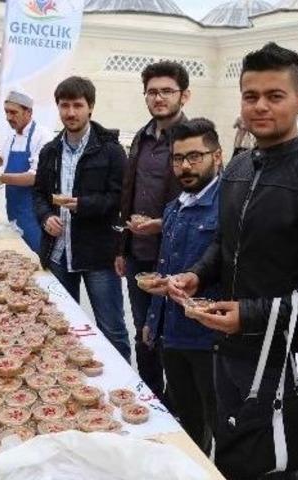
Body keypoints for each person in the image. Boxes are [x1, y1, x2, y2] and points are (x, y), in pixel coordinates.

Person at [167, 43, 298, 480]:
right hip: (228, 349)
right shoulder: (238, 169)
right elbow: (225, 243)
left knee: (275, 462)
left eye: (275, 95)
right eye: (250, 95)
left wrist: (255, 314)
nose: (260, 106)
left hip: (286, 357)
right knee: (235, 455)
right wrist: (198, 275)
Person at [33, 76, 130, 361]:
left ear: (91, 108)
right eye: (65, 106)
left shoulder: (110, 150)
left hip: (98, 254)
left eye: (78, 105)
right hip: (58, 254)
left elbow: (120, 199)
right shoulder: (50, 151)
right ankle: (71, 386)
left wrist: (85, 205)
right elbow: (38, 194)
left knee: (111, 328)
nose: (71, 113)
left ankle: (127, 391)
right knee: (62, 327)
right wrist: (45, 217)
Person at [142, 118, 221, 453]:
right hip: (171, 334)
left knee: (213, 422)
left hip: (207, 339)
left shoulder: (228, 206)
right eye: (177, 159)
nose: (185, 166)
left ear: (217, 156)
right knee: (185, 417)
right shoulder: (175, 206)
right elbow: (166, 267)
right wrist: (151, 321)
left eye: (195, 157)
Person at [116, 60, 189, 398]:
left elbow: (203, 200)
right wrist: (122, 246)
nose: (158, 98)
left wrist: (161, 224)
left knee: (171, 336)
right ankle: (150, 398)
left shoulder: (193, 140)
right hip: (138, 255)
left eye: (166, 91)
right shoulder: (142, 138)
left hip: (176, 258)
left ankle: (179, 407)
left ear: (184, 95)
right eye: (152, 92)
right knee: (142, 333)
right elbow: (128, 193)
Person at [0, 91, 54, 253]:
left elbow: (34, 177)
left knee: (36, 255)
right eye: (6, 112)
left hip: (34, 213)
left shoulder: (42, 137)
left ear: (28, 112)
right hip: (14, 210)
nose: (8, 117)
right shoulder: (12, 136)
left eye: (13, 112)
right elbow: (2, 158)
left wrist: (0, 177)